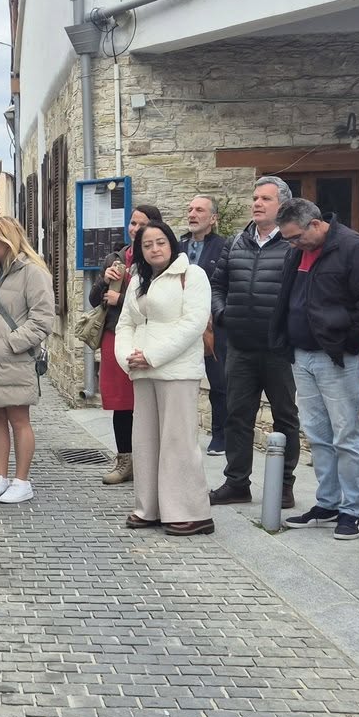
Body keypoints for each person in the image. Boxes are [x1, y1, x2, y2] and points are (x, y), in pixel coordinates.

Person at [275, 201, 359, 540]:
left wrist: (349, 342)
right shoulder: (298, 251)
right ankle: (327, 503)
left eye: (296, 238)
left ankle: (352, 510)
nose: (293, 245)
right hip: (302, 354)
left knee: (346, 435)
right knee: (318, 434)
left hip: (337, 357)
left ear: (315, 224)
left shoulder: (354, 248)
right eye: (288, 240)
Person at [115, 220, 214, 535]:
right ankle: (150, 507)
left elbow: (193, 324)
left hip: (175, 371)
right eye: (147, 244)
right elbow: (125, 323)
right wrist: (127, 357)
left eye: (160, 242)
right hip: (142, 371)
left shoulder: (192, 275)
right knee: (145, 441)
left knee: (178, 442)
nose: (154, 249)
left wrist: (152, 356)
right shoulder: (138, 282)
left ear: (171, 243)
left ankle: (191, 511)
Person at [211, 176, 300, 508]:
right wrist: (222, 314)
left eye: (265, 198)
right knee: (237, 415)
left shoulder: (292, 244)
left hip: (279, 349)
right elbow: (217, 285)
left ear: (283, 205)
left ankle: (284, 485)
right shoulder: (236, 243)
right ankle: (237, 483)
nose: (257, 204)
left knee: (285, 416)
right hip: (240, 346)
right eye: (255, 198)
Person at [0, 216, 56, 504]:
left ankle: (22, 480)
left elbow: (42, 320)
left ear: (7, 242)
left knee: (19, 419)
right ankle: (0, 477)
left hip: (14, 360)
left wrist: (11, 343)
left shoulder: (33, 273)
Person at [86, 204, 165, 486]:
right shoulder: (116, 257)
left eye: (140, 224)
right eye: (132, 223)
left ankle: (150, 460)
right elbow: (95, 300)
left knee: (147, 400)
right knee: (121, 403)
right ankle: (125, 460)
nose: (134, 229)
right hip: (115, 335)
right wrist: (105, 281)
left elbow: (161, 301)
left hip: (146, 336)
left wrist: (123, 300)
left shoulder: (158, 259)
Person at [178, 195, 230, 453]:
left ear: (213, 218)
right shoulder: (178, 247)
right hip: (181, 324)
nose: (192, 213)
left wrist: (217, 313)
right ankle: (181, 437)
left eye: (199, 210)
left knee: (219, 384)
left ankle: (220, 435)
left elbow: (226, 285)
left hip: (212, 326)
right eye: (190, 208)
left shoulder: (223, 246)